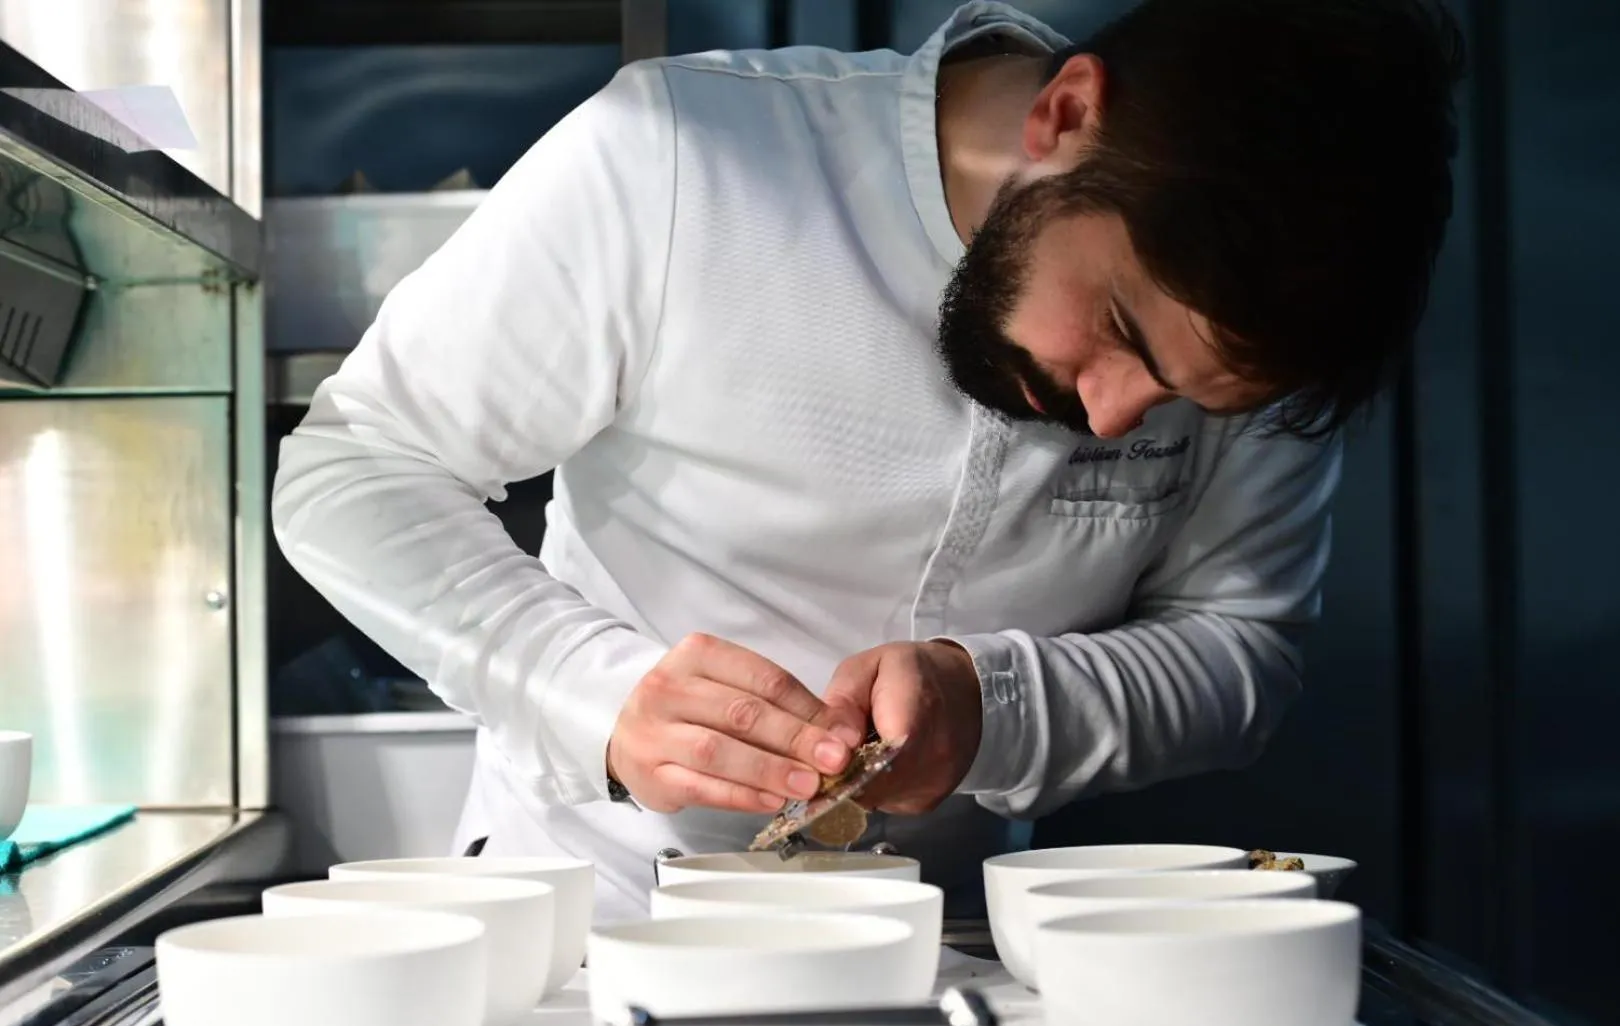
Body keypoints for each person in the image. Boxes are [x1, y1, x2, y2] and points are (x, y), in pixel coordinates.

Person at [272, 0, 1464, 922]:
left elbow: (1239, 648)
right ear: (1063, 117)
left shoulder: (1254, 323)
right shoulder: (679, 157)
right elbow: (355, 468)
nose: (1115, 421)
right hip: (595, 918)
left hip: (958, 949)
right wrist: (592, 689)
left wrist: (992, 704)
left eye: (1184, 401)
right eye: (1118, 333)